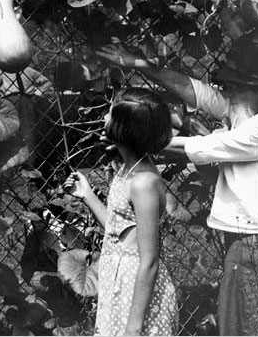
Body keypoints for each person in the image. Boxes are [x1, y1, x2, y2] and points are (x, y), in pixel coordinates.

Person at [96, 36, 258, 336]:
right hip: (249, 239)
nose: (226, 89)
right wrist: (137, 64)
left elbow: (202, 147)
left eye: (235, 83)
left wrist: (130, 135)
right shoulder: (246, 109)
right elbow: (195, 91)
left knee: (250, 329)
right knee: (237, 326)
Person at [64, 88, 178, 336]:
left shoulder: (143, 183)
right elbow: (119, 231)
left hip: (136, 291)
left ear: (124, 129)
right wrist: (88, 195)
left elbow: (149, 260)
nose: (104, 118)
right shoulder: (128, 171)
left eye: (110, 114)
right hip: (119, 283)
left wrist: (133, 328)